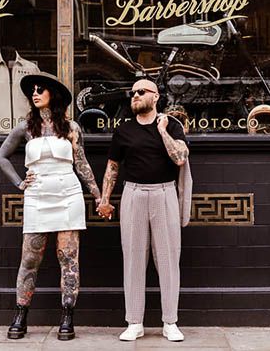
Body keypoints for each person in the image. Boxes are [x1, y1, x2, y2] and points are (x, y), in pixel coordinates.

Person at [0, 71, 101, 341]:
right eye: (32, 90)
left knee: (68, 260)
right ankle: (21, 314)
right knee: (30, 259)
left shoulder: (72, 128)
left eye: (40, 89)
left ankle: (67, 317)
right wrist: (20, 183)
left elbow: (82, 164)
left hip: (68, 194)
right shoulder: (25, 127)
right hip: (38, 195)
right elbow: (2, 157)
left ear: (52, 95)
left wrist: (98, 195)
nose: (35, 93)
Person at [97, 79, 189, 342]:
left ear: (156, 96)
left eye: (141, 92)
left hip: (164, 193)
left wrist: (162, 132)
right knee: (134, 259)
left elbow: (180, 158)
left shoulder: (171, 125)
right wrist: (105, 199)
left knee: (169, 260)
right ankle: (134, 321)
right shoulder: (124, 130)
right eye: (132, 93)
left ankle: (170, 322)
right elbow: (112, 167)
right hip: (134, 194)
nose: (135, 96)